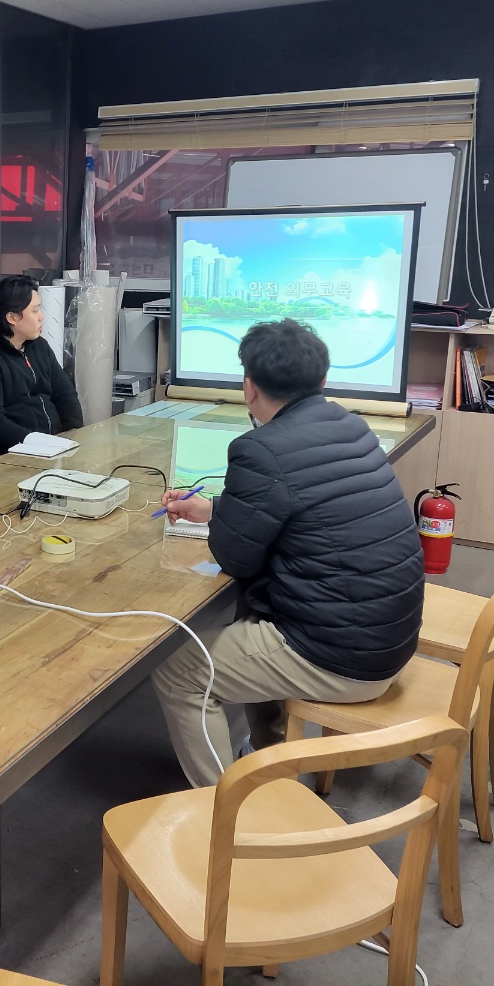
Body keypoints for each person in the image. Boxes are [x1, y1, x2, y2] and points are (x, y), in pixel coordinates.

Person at [153, 319, 424, 787]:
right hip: (391, 635)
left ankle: (228, 807)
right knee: (251, 613)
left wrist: (226, 520)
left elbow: (235, 560)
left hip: (344, 657)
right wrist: (215, 509)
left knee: (179, 673)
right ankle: (266, 755)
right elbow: (308, 511)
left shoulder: (259, 450)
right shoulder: (352, 425)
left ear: (249, 387)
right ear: (323, 379)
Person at [0, 275, 83, 458]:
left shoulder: (40, 346)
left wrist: (73, 434)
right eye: (35, 311)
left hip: (55, 447)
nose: (42, 316)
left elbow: (65, 395)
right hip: (10, 454)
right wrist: (40, 443)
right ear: (12, 317)